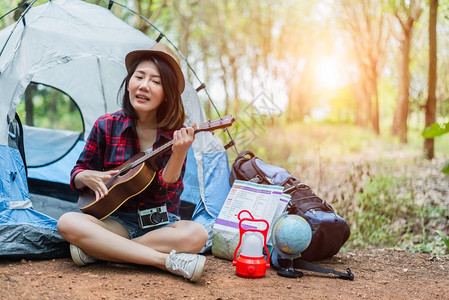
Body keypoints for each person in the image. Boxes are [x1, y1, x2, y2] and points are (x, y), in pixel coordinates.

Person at [57, 43, 208, 283]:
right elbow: (77, 172)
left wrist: (179, 153)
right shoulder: (106, 125)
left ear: (167, 93)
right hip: (116, 221)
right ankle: (165, 261)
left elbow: (166, 194)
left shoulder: (176, 136)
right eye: (139, 76)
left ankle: (102, 252)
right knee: (68, 222)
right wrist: (84, 176)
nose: (144, 86)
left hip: (160, 225)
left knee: (197, 234)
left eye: (156, 81)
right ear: (129, 83)